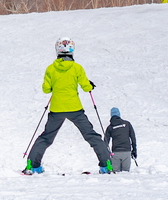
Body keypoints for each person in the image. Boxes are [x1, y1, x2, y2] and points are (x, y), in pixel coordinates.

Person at [23, 38, 113, 174]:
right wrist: (90, 85)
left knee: (46, 137)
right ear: (72, 50)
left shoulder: (51, 68)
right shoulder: (77, 68)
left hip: (56, 109)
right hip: (74, 109)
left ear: (57, 50)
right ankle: (106, 165)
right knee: (92, 136)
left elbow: (46, 89)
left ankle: (33, 166)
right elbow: (85, 86)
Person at [104, 107, 138, 172]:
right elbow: (133, 138)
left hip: (115, 153)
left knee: (116, 173)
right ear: (119, 114)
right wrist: (134, 150)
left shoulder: (110, 127)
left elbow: (105, 142)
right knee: (125, 173)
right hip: (127, 152)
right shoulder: (127, 124)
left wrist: (106, 153)